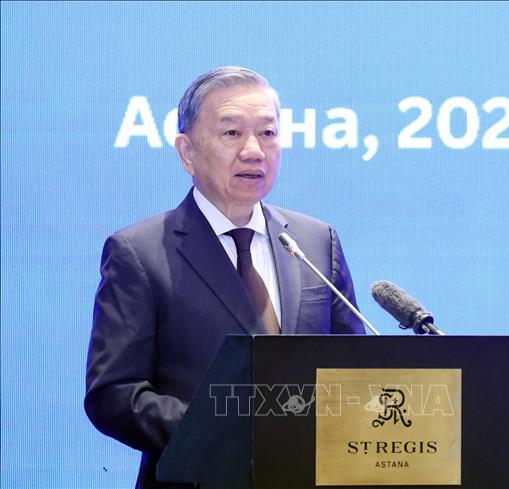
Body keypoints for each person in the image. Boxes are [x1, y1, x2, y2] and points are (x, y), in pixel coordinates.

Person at [84, 66, 364, 488]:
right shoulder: (139, 252)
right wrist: (224, 435)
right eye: (232, 133)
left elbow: (354, 369)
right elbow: (113, 394)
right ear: (187, 152)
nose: (254, 150)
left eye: (268, 133)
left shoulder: (315, 242)